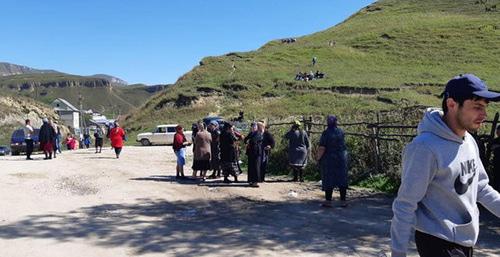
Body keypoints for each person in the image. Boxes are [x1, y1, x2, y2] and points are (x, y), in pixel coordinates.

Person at [391, 74, 500, 257]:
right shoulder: (425, 148)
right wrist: (398, 253)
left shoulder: (469, 142)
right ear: (451, 104)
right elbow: (405, 204)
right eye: (477, 107)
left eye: (485, 107)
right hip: (437, 242)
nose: (484, 115)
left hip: (465, 241)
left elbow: (480, 187)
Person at [316, 115, 348, 208]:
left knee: (329, 179)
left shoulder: (326, 133)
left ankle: (328, 201)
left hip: (329, 159)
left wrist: (318, 158)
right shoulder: (341, 132)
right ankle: (343, 201)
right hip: (341, 158)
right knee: (342, 178)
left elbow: (322, 147)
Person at [245, 122, 264, 187]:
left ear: (256, 127)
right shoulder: (251, 133)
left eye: (254, 127)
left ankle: (255, 181)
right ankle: (250, 180)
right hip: (250, 152)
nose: (253, 128)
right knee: (250, 166)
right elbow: (245, 139)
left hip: (256, 152)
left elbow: (254, 141)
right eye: (252, 127)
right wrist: (247, 141)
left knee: (256, 167)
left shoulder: (258, 133)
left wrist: (249, 141)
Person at [490, 125, 500, 191]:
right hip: (497, 162)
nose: (497, 132)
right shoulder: (496, 140)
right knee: (497, 178)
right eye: (497, 131)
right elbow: (490, 147)